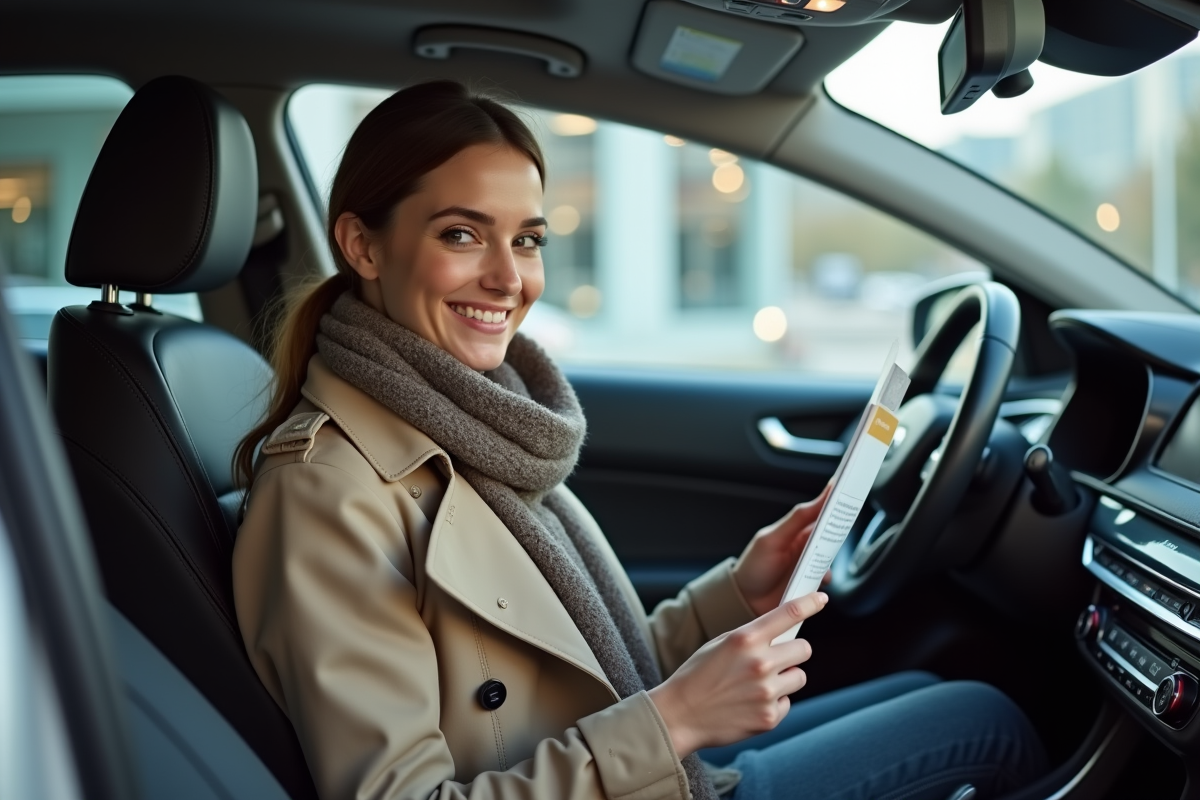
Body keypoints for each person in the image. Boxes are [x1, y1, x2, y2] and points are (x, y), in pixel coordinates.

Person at [232, 80, 1047, 800]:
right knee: (985, 724)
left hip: (635, 774)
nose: (510, 278)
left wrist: (736, 596)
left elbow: (583, 675)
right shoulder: (326, 492)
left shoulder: (476, 422)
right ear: (363, 245)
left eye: (528, 239)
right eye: (461, 234)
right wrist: (675, 720)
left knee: (928, 686)